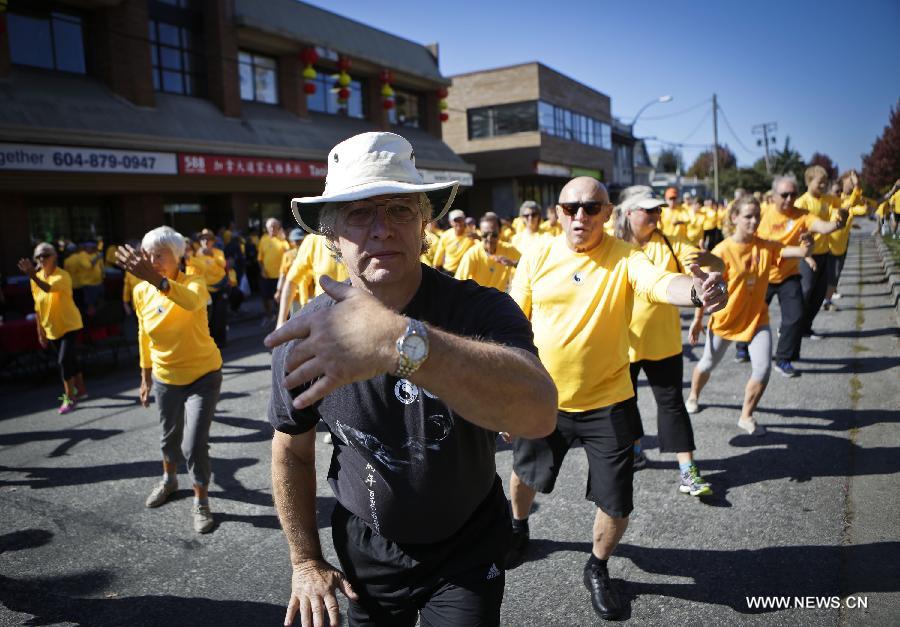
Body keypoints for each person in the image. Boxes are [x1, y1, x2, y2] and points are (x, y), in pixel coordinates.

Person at [266, 131, 557, 627]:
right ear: (332, 236)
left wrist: (399, 339)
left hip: (469, 548)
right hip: (367, 554)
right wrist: (305, 561)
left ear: (424, 224)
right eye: (360, 212)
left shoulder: (479, 309)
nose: (382, 228)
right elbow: (291, 451)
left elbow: (539, 413)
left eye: (400, 209)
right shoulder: (304, 336)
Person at [505, 176, 728, 620]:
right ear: (558, 214)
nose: (580, 216)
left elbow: (660, 284)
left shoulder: (628, 258)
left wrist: (697, 291)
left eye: (591, 208)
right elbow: (512, 323)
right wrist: (509, 393)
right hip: (545, 399)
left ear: (608, 214)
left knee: (616, 501)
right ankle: (517, 527)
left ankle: (598, 566)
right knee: (524, 475)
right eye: (571, 208)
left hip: (608, 400)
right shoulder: (537, 256)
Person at [614, 186, 723, 495]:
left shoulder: (672, 244)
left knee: (672, 405)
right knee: (624, 403)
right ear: (628, 214)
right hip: (622, 345)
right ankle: (634, 448)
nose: (657, 215)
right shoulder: (611, 247)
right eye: (649, 210)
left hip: (664, 344)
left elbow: (713, 266)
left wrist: (709, 264)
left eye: (658, 210)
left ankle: (688, 469)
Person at [117, 227, 223, 534]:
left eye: (160, 255)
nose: (152, 260)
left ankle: (201, 500)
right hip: (165, 377)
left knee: (194, 444)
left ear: (179, 257)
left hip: (204, 375)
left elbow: (191, 302)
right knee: (168, 438)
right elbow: (143, 335)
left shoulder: (195, 282)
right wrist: (145, 376)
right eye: (148, 255)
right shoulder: (140, 292)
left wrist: (157, 281)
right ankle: (169, 480)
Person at [686, 196, 811, 435]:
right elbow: (705, 289)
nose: (754, 221)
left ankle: (746, 416)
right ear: (734, 218)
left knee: (763, 368)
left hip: (757, 319)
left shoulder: (766, 246)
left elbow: (798, 251)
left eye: (757, 216)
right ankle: (693, 395)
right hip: (725, 319)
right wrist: (697, 319)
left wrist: (808, 246)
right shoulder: (722, 250)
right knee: (708, 363)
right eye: (748, 216)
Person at [734, 175, 844, 375]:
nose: (789, 199)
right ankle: (742, 347)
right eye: (784, 195)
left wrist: (837, 224)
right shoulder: (762, 215)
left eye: (793, 194)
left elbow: (823, 227)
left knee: (795, 316)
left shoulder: (802, 215)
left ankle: (783, 359)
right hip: (762, 274)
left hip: (788, 274)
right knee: (751, 313)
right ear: (774, 195)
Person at [18, 243, 86, 414]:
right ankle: (81, 388)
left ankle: (70, 398)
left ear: (54, 256)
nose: (42, 259)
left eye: (45, 255)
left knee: (63, 361)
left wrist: (32, 275)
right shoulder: (36, 277)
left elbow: (47, 288)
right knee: (69, 359)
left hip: (70, 324)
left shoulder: (62, 276)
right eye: (38, 256)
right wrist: (40, 332)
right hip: (51, 328)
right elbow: (37, 307)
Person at [793, 166, 849, 339]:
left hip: (825, 252)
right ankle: (791, 328)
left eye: (825, 182)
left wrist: (842, 213)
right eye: (820, 182)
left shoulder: (828, 199)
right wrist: (806, 256)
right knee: (805, 291)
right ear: (809, 181)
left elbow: (844, 206)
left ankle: (806, 327)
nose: (824, 185)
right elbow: (797, 232)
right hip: (807, 254)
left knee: (819, 294)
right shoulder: (801, 202)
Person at [276, 233, 349, 327]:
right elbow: (291, 280)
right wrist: (281, 322)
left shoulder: (362, 235)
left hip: (358, 315)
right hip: (324, 320)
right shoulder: (313, 240)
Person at [824, 171, 865, 309]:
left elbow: (859, 207)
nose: (838, 194)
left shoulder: (842, 201)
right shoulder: (829, 204)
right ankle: (824, 300)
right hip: (828, 247)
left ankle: (826, 301)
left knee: (834, 277)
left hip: (841, 246)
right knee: (828, 277)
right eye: (836, 191)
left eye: (839, 191)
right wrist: (857, 185)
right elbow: (850, 204)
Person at [454, 214, 520, 291]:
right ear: (480, 233)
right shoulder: (472, 254)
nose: (489, 239)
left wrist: (513, 263)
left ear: (500, 233)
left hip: (499, 299)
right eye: (485, 235)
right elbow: (458, 283)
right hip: (478, 299)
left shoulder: (508, 249)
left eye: (494, 235)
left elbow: (528, 265)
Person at [187, 228, 230, 348]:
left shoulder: (218, 252)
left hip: (220, 287)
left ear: (213, 241)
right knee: (209, 317)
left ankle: (221, 340)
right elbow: (192, 268)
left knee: (220, 315)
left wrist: (212, 255)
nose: (205, 241)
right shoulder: (197, 255)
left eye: (208, 239)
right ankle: (210, 341)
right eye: (203, 239)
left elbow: (224, 264)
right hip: (206, 290)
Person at [258, 218, 290, 325]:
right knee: (265, 297)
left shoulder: (283, 240)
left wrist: (285, 238)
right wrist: (262, 269)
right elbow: (260, 258)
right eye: (269, 227)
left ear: (278, 228)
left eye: (274, 227)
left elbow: (290, 254)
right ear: (266, 228)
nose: (272, 229)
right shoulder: (263, 239)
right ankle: (268, 315)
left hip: (280, 276)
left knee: (280, 298)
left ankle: (280, 318)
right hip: (266, 275)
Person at [432, 209, 474, 275]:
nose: (459, 223)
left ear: (464, 221)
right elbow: (439, 255)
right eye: (456, 220)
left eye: (461, 220)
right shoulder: (446, 235)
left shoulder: (472, 234)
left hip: (466, 272)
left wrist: (478, 237)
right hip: (449, 272)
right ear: (450, 222)